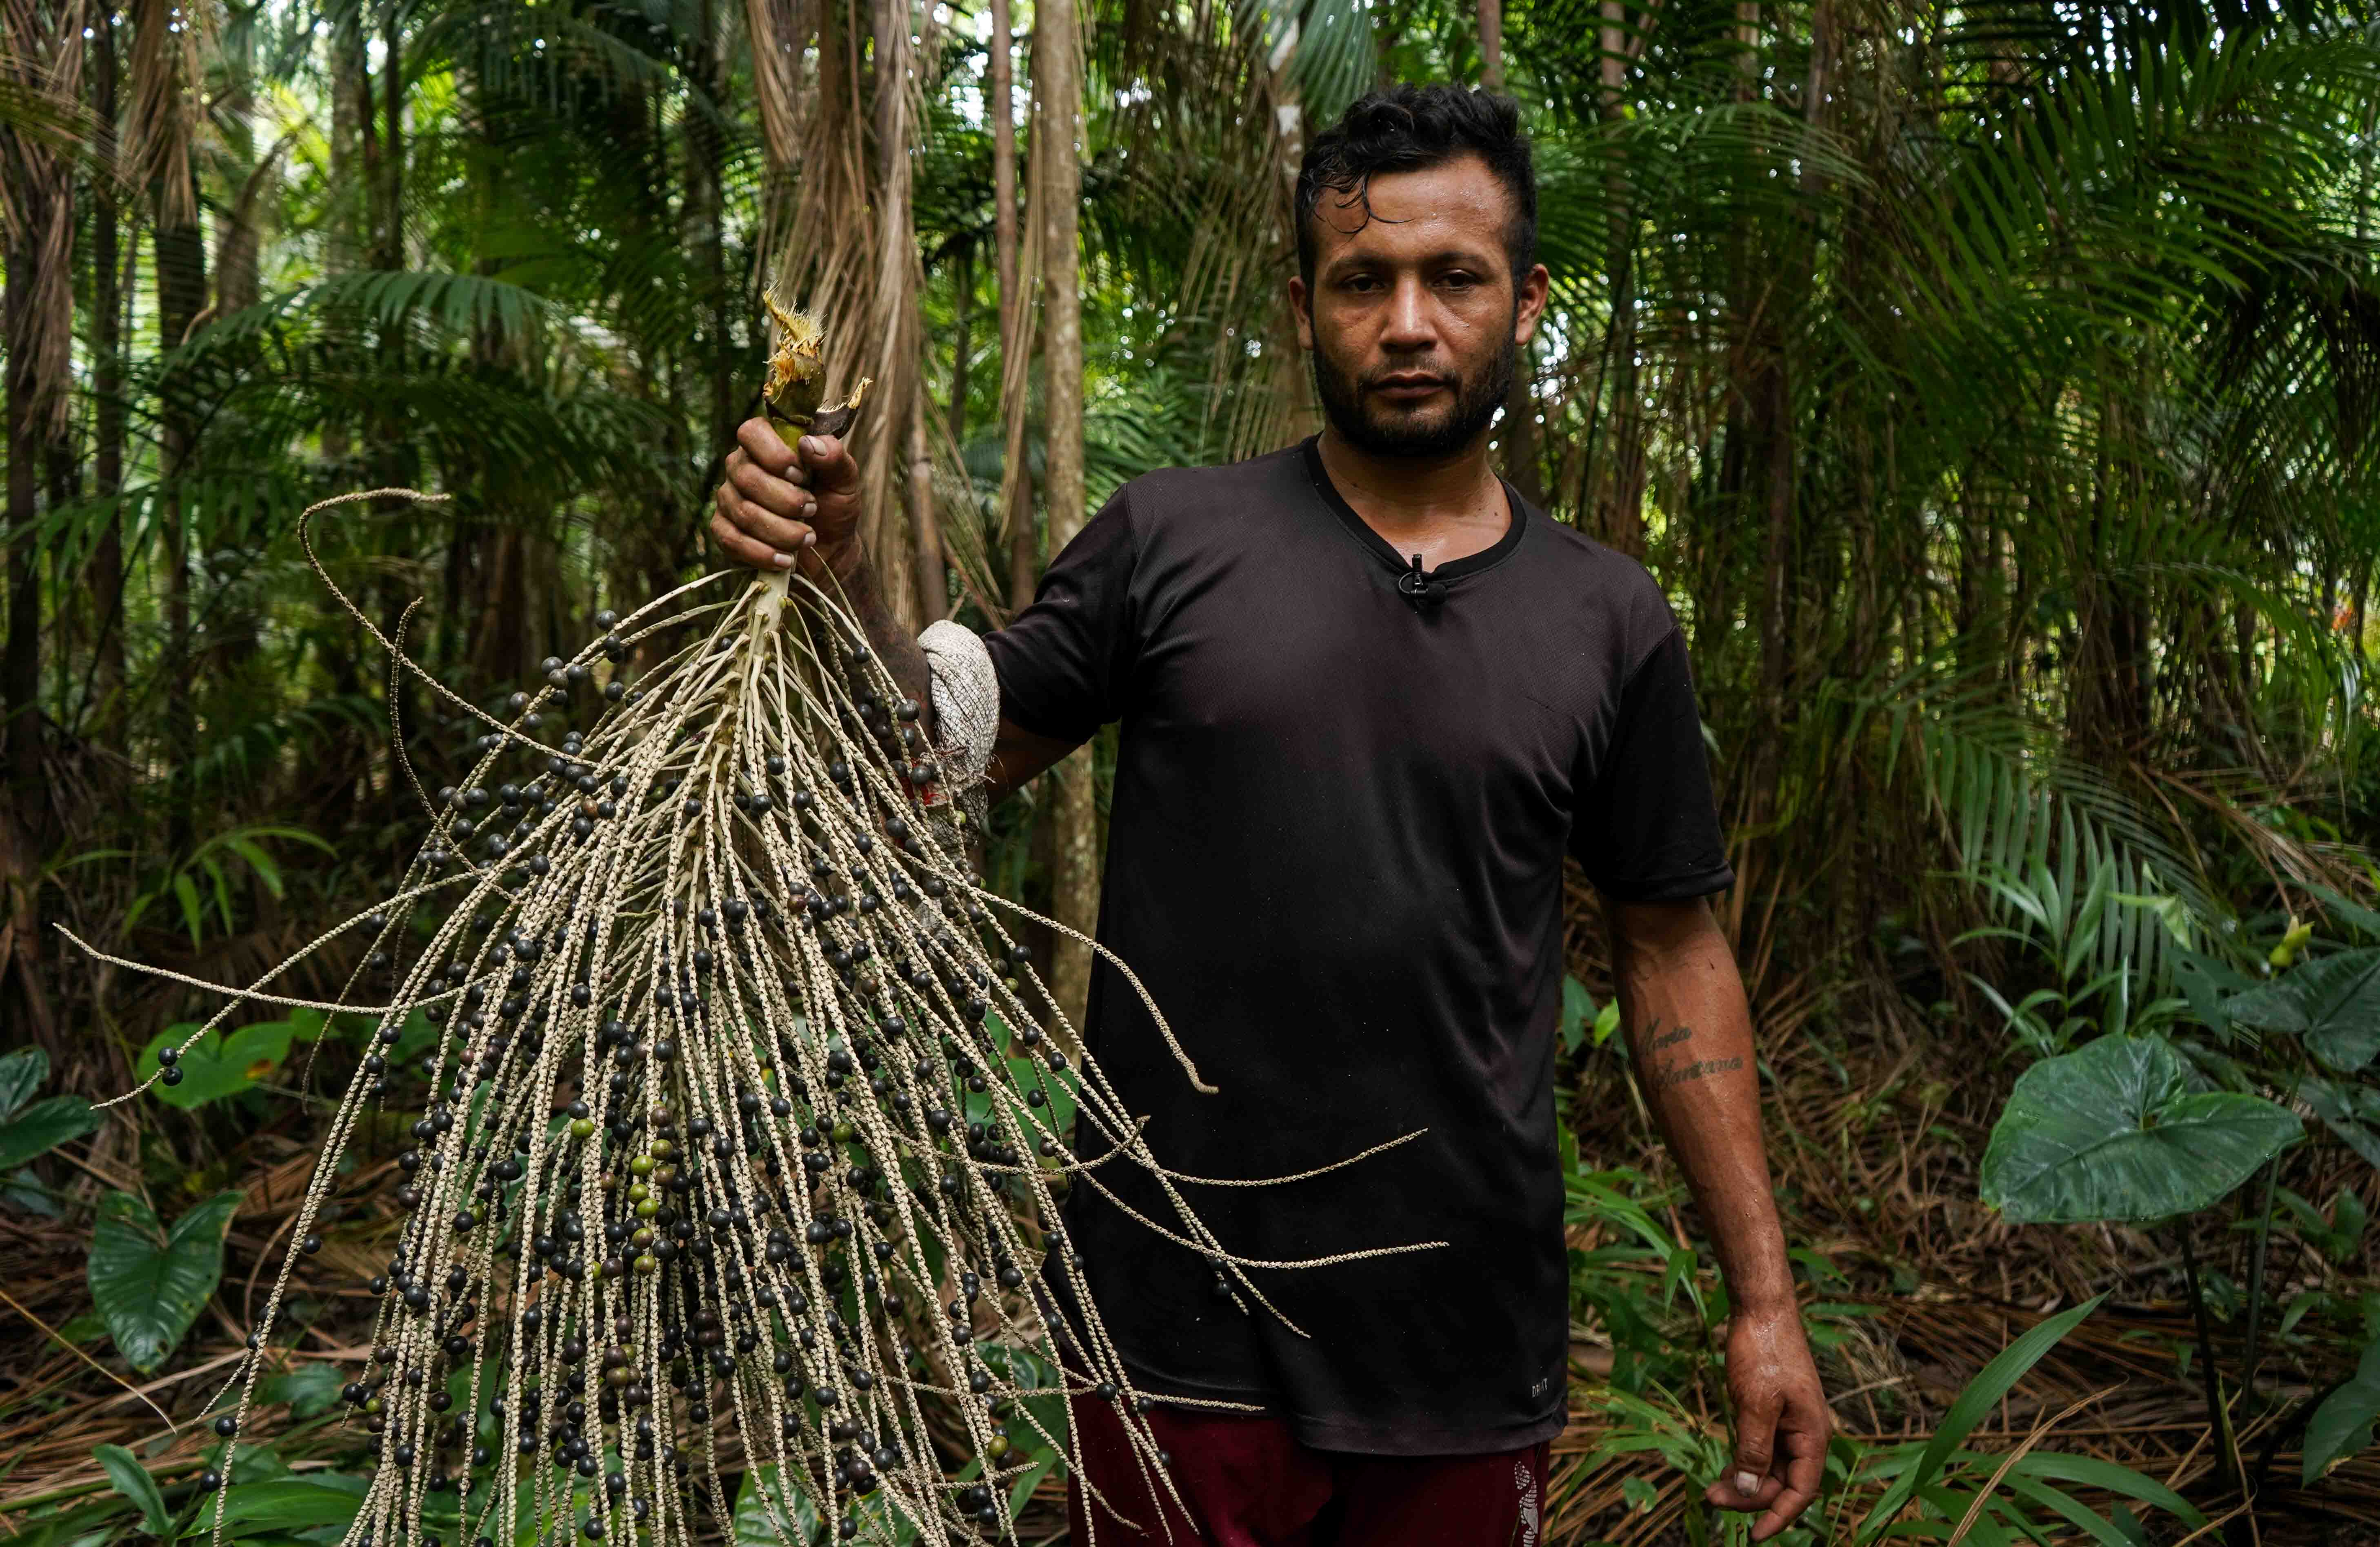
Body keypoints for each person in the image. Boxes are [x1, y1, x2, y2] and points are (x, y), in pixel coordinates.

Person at [710, 82, 1827, 1547]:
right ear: (1305, 305)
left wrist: (1765, 1303)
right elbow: (924, 757)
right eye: (1365, 282)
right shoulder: (1175, 539)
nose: (1410, 322)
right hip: (1173, 1324)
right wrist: (834, 562)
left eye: (1456, 279)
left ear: (1527, 300)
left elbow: (1675, 950)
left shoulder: (1608, 618)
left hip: (1461, 1337)